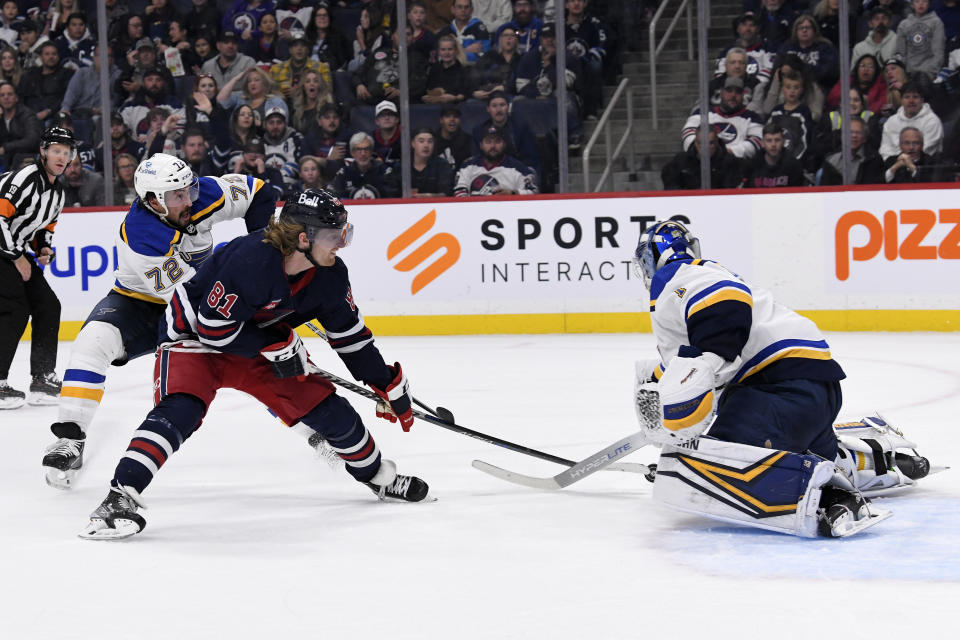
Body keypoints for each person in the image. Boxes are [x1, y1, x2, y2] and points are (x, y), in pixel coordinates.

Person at [78, 189, 431, 539]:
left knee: (330, 412)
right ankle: (119, 498)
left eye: (344, 232)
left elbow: (350, 336)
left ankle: (377, 477)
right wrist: (275, 344)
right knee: (181, 410)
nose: (341, 243)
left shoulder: (331, 275)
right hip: (194, 339)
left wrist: (384, 381)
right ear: (303, 237)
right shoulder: (250, 260)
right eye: (332, 235)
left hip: (258, 345)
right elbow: (213, 329)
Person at [632, 220, 931, 538]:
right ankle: (871, 459)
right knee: (705, 460)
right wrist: (667, 381)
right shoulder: (706, 276)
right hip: (807, 390)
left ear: (653, 258)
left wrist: (689, 452)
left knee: (696, 474)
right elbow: (709, 364)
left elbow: (724, 305)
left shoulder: (681, 276)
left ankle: (829, 498)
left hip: (777, 393)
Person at [41, 152, 277, 489]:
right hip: (141, 303)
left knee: (260, 359)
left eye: (188, 190)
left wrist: (263, 251)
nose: (189, 199)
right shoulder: (141, 234)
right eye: (178, 195)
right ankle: (70, 438)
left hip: (194, 296)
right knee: (91, 343)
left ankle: (318, 431)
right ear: (153, 201)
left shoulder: (205, 194)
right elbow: (189, 296)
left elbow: (260, 193)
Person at [0, 126, 75, 408]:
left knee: (47, 305)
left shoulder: (58, 191)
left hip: (12, 249)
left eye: (66, 153)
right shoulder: (26, 178)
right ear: (43, 152)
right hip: (5, 249)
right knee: (14, 309)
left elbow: (44, 227)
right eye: (56, 150)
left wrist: (42, 247)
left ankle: (42, 378)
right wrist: (15, 256)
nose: (61, 156)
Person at [681, 76, 763, 160]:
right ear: (722, 93)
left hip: (736, 165)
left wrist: (727, 152)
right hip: (702, 161)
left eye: (738, 92)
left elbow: (757, 141)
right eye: (729, 91)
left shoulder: (753, 117)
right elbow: (688, 132)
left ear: (743, 95)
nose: (733, 95)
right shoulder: (703, 112)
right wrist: (702, 150)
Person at [454, 125, 538, 196]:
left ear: (504, 144)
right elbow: (459, 191)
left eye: (497, 142)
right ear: (481, 145)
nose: (493, 146)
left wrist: (513, 193)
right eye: (488, 142)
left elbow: (534, 192)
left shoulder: (519, 169)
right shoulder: (468, 166)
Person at [564, 0, 609, 119]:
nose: (576, 4)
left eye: (580, 0)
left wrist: (585, 59)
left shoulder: (593, 24)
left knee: (595, 66)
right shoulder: (560, 26)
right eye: (572, 1)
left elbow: (600, 47)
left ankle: (591, 111)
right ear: (566, 5)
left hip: (587, 64)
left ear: (586, 4)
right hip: (566, 66)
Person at [660, 127, 744, 190]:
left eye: (710, 143)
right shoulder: (681, 161)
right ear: (696, 143)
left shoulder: (729, 162)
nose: (706, 147)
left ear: (716, 142)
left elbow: (731, 191)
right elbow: (671, 186)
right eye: (702, 143)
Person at [878, 81, 943, 159]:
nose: (911, 101)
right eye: (907, 97)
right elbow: (885, 150)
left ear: (922, 100)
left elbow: (926, 150)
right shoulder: (891, 122)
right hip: (895, 165)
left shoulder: (932, 121)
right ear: (901, 100)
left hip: (925, 166)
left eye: (915, 97)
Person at [329, 132, 401, 199]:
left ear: (372, 151)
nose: (363, 153)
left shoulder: (385, 172)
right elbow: (335, 198)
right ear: (352, 152)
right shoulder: (344, 173)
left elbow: (394, 199)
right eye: (358, 149)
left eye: (366, 149)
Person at [16, 41, 74, 124]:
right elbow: (20, 97)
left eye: (54, 54)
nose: (51, 57)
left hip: (53, 117)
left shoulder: (66, 74)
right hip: (29, 116)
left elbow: (66, 98)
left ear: (58, 57)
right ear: (41, 57)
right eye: (47, 54)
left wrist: (48, 112)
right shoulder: (30, 75)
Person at [819, 115, 885, 185]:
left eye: (858, 133)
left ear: (864, 138)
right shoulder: (831, 160)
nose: (854, 136)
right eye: (850, 132)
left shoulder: (874, 159)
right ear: (842, 136)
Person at [744, 121, 806, 187]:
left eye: (777, 140)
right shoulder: (752, 164)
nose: (773, 145)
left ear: (783, 142)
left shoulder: (794, 166)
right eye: (769, 140)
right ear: (762, 143)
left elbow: (797, 194)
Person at [896, 0, 945, 79]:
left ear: (929, 4)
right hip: (908, 72)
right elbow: (901, 52)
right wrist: (903, 71)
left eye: (925, 1)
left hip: (928, 73)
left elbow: (938, 51)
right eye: (917, 1)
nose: (921, 4)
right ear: (912, 4)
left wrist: (932, 72)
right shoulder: (903, 24)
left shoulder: (936, 23)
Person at [883, 126, 948, 182]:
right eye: (907, 143)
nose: (911, 147)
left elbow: (932, 184)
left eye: (916, 143)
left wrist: (912, 167)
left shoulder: (931, 162)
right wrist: (895, 167)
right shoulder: (891, 161)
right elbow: (879, 182)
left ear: (922, 145)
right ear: (900, 145)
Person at [438, 0, 491, 65]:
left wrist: (453, 54)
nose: (463, 10)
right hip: (450, 70)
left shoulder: (479, 28)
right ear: (453, 10)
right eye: (459, 7)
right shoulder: (445, 31)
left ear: (471, 10)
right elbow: (440, 57)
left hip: (473, 70)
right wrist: (465, 50)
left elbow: (484, 57)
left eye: (466, 7)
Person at [422, 34, 469, 104]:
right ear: (439, 51)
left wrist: (454, 98)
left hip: (456, 106)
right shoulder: (434, 69)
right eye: (443, 50)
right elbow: (428, 89)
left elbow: (465, 94)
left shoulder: (464, 70)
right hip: (434, 106)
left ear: (456, 51)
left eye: (450, 49)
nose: (447, 53)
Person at [410, 128, 455, 196]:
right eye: (421, 141)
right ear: (413, 143)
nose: (426, 145)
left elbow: (447, 194)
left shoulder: (442, 165)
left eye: (430, 141)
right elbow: (393, 195)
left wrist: (425, 197)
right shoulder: (401, 166)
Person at [435, 104, 473, 171]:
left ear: (460, 120)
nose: (452, 119)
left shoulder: (468, 140)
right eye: (447, 116)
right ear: (441, 120)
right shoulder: (432, 140)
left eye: (455, 117)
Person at [371, 100, 401, 165]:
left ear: (397, 119)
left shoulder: (406, 136)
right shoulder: (370, 139)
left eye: (390, 114)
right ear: (377, 121)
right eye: (382, 115)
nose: (387, 118)